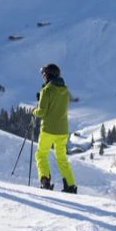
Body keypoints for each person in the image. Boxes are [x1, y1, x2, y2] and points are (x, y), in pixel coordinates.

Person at [33, 64, 77, 193]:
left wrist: (33, 111)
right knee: (61, 157)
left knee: (41, 154)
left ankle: (45, 181)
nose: (43, 77)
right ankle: (70, 185)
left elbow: (41, 112)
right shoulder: (65, 91)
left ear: (48, 76)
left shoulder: (46, 91)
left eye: (44, 75)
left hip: (48, 130)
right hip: (63, 130)